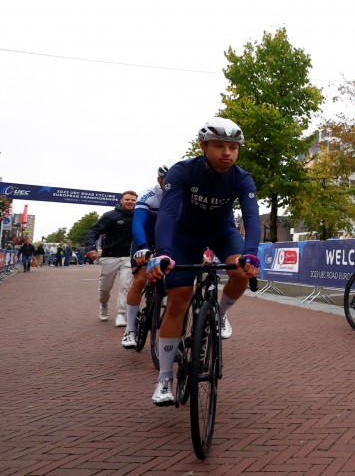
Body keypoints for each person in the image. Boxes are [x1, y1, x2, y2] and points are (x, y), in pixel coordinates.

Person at [146, 118, 260, 406]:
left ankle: (219, 313)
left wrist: (252, 252)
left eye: (233, 147)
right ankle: (164, 380)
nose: (227, 153)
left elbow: (250, 218)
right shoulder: (183, 171)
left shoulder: (242, 178)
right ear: (203, 146)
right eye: (219, 146)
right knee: (177, 301)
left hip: (222, 233)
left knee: (239, 271)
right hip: (185, 236)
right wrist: (163, 252)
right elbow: (168, 214)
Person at [121, 164, 170, 350]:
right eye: (169, 180)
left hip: (166, 241)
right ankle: (130, 329)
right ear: (160, 180)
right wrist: (142, 247)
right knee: (140, 279)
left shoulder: (182, 194)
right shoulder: (149, 194)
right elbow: (138, 223)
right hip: (145, 240)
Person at [84, 190, 137, 325]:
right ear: (121, 201)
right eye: (127, 199)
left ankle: (121, 314)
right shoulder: (110, 216)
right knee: (105, 288)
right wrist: (91, 248)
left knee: (126, 286)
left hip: (128, 257)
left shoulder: (139, 216)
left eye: (133, 200)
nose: (130, 202)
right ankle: (104, 305)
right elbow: (93, 231)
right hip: (110, 256)